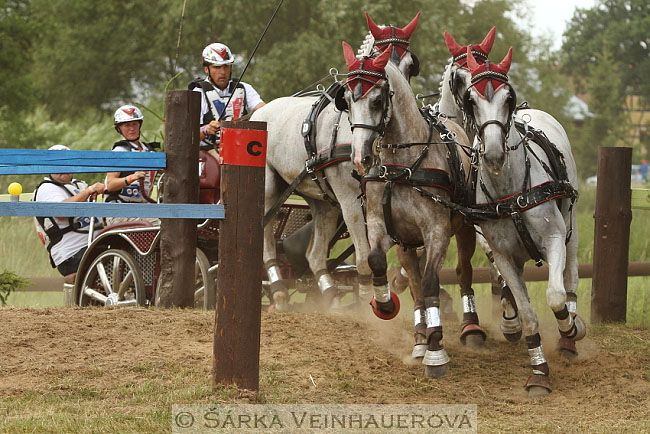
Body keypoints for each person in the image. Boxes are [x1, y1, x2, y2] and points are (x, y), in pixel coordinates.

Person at [33, 145, 105, 277]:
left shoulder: (78, 185)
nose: (64, 167)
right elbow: (61, 212)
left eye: (68, 162)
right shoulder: (47, 189)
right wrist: (89, 190)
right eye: (58, 164)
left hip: (93, 244)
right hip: (71, 252)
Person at [189, 42, 265, 157]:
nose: (223, 72)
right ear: (206, 69)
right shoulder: (198, 93)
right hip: (210, 153)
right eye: (217, 67)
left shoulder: (244, 88)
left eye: (226, 66)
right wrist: (206, 129)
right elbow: (189, 135)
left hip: (242, 149)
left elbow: (264, 111)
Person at [104, 104, 160, 226]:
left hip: (144, 209)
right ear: (119, 129)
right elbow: (110, 185)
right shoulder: (119, 151)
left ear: (140, 124)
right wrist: (132, 177)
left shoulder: (149, 151)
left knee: (175, 219)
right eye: (127, 125)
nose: (132, 128)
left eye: (134, 124)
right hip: (119, 210)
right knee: (161, 224)